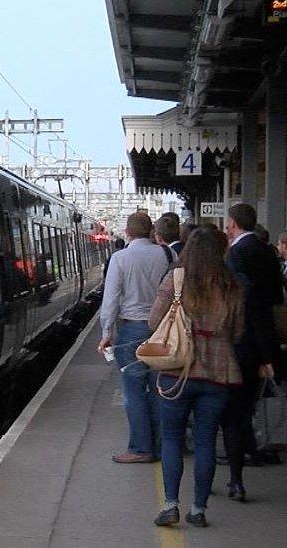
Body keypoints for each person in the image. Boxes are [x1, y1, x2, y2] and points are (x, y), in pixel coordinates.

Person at [149, 226, 244, 528]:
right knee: (205, 441)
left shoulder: (175, 280)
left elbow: (153, 321)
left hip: (177, 371)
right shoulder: (231, 285)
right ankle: (198, 509)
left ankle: (170, 505)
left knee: (173, 438)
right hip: (218, 372)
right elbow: (238, 332)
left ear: (188, 249)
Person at [98, 212, 171, 463]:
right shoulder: (168, 255)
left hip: (132, 330)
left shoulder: (120, 258)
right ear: (151, 231)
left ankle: (140, 448)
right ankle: (163, 446)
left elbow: (111, 300)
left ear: (127, 233)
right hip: (164, 330)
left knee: (134, 391)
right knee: (159, 389)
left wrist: (106, 333)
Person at [221, 203, 282, 501]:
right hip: (264, 340)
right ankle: (255, 450)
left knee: (234, 412)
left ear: (232, 224)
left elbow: (237, 306)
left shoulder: (235, 254)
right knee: (249, 406)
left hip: (240, 343)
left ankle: (236, 478)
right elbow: (276, 296)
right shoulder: (267, 250)